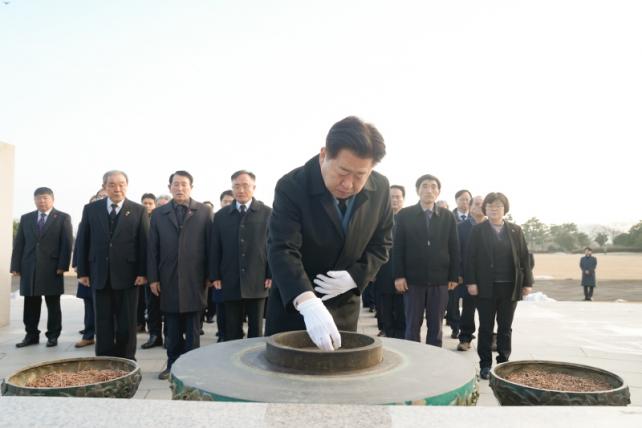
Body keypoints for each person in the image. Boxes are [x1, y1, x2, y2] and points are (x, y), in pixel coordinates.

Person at [265, 116, 393, 351]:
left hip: (345, 306)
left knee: (340, 369)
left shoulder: (381, 188)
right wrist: (307, 302)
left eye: (360, 175)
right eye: (342, 171)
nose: (348, 184)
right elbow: (282, 248)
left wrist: (355, 277)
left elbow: (382, 243)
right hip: (296, 307)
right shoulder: (292, 186)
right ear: (324, 154)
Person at [76, 170, 149, 360]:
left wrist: (143, 272)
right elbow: (83, 241)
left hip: (129, 275)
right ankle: (104, 359)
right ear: (104, 187)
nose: (117, 189)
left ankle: (127, 359)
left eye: (121, 184)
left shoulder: (138, 210)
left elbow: (144, 244)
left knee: (127, 321)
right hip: (99, 273)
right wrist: (82, 271)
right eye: (112, 185)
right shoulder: (91, 209)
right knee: (102, 320)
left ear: (127, 185)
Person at [147, 171, 211, 379]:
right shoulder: (159, 214)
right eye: (176, 184)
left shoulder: (204, 211)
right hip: (168, 277)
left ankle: (192, 366)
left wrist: (210, 275)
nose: (180, 188)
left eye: (184, 184)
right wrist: (153, 278)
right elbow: (152, 248)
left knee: (193, 327)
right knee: (172, 326)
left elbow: (211, 246)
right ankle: (172, 364)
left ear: (191, 187)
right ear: (169, 187)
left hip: (195, 278)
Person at [464, 192, 533, 379]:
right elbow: (470, 258)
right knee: (486, 327)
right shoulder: (478, 230)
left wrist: (527, 282)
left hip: (509, 287)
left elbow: (524, 258)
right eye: (490, 206)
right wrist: (471, 282)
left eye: (498, 206)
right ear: (485, 209)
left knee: (505, 327)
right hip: (486, 287)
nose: (494, 209)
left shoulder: (515, 230)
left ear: (505, 209)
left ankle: (503, 363)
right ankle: (485, 365)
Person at [393, 174, 459, 347]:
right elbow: (398, 248)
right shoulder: (405, 215)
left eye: (433, 186)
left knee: (436, 327)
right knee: (412, 325)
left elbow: (454, 248)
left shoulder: (447, 216)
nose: (429, 190)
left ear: (438, 192)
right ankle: (413, 358)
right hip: (412, 281)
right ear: (417, 190)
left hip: (440, 281)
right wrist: (399, 276)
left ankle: (433, 359)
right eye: (424, 186)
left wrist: (453, 276)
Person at [210, 171, 272, 340]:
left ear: (254, 187)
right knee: (232, 328)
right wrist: (215, 275)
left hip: (258, 278)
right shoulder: (221, 216)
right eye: (236, 186)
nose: (241, 190)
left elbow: (273, 246)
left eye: (245, 185)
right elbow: (215, 247)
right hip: (230, 278)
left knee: (256, 328)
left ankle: (254, 356)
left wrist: (270, 273)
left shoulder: (267, 213)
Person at [11, 187, 73, 348]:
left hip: (52, 268)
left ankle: (53, 336)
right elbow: (19, 243)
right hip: (29, 267)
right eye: (38, 198)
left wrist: (63, 265)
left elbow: (66, 244)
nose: (41, 201)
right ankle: (31, 335)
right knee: (30, 304)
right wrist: (15, 265)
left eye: (45, 198)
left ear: (52, 199)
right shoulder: (26, 218)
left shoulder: (62, 218)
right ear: (34, 200)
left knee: (53, 304)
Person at [74, 189, 108, 348]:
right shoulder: (87, 218)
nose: (102, 199)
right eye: (99, 197)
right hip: (90, 269)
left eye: (104, 197)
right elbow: (80, 244)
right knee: (89, 305)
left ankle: (109, 336)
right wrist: (79, 267)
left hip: (110, 271)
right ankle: (88, 335)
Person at [373, 185, 406, 339]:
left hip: (404, 271)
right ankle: (387, 331)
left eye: (398, 197)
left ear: (403, 199)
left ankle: (400, 335)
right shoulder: (378, 219)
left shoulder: (408, 219)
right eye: (391, 197)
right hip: (383, 269)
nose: (394, 200)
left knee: (401, 307)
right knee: (384, 306)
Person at [455, 195, 485, 351]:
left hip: (487, 277)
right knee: (468, 309)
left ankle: (490, 337)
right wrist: (459, 273)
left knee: (489, 310)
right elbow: (457, 252)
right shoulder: (461, 227)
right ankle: (465, 338)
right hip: (468, 275)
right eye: (477, 204)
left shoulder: (492, 226)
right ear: (470, 207)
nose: (480, 207)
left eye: (483, 204)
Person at [445, 189, 474, 338]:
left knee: (469, 303)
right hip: (455, 268)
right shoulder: (448, 217)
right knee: (453, 303)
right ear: (456, 201)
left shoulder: (474, 220)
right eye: (462, 199)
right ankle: (455, 327)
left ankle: (465, 330)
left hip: (470, 270)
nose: (465, 202)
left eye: (467, 199)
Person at [140, 193, 164, 350]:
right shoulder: (139, 218)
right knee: (152, 305)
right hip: (149, 270)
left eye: (151, 203)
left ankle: (170, 336)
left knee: (168, 307)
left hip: (167, 268)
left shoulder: (163, 218)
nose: (148, 206)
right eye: (145, 203)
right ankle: (154, 335)